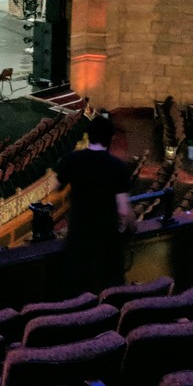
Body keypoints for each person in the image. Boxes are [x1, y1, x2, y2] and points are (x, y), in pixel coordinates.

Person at [54, 113, 135, 293]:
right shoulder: (118, 167)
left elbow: (57, 186)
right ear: (111, 138)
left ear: (88, 135)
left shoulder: (71, 160)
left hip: (79, 234)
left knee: (76, 288)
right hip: (107, 237)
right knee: (111, 288)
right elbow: (123, 209)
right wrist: (131, 226)